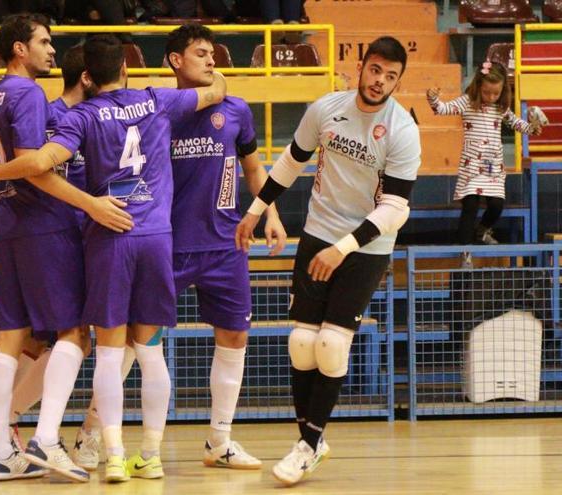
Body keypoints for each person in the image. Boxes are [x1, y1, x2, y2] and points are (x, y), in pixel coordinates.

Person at [0, 34, 227, 482]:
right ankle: (149, 454)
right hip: (154, 235)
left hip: (106, 236)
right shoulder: (157, 100)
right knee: (149, 352)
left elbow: (40, 163)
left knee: (105, 352)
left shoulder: (81, 116)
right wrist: (208, 67)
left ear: (88, 76)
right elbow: (217, 90)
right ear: (127, 69)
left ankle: (109, 453)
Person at [237, 36, 421, 486]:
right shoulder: (326, 109)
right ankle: (311, 443)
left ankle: (307, 444)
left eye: (391, 76)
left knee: (332, 345)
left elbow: (396, 208)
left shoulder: (402, 129)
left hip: (366, 245)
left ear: (398, 80)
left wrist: (344, 248)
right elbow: (290, 162)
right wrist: (255, 211)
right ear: (362, 66)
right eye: (375, 69)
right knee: (301, 343)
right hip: (318, 231)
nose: (380, 81)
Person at [0, 14, 130, 483]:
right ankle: (46, 437)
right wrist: (91, 205)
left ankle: (1, 448)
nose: (50, 50)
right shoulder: (29, 94)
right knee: (75, 331)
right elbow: (35, 167)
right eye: (43, 42)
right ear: (20, 49)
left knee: (12, 335)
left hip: (14, 226)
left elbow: (5, 170)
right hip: (45, 225)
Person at [167, 23, 286, 469]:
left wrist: (270, 213)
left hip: (226, 243)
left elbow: (255, 171)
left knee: (235, 335)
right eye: (200, 53)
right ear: (176, 60)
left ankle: (219, 440)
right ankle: (92, 436)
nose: (212, 60)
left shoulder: (236, 111)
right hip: (169, 243)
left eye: (213, 53)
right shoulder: (161, 109)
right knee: (136, 338)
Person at [427, 60, 543, 265]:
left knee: (497, 204)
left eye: (495, 94)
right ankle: (465, 253)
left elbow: (518, 124)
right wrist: (433, 99)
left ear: (501, 92)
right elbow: (443, 109)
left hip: (494, 167)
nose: (490, 97)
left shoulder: (500, 108)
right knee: (470, 205)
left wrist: (533, 128)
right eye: (487, 92)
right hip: (472, 166)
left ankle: (482, 231)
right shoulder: (467, 102)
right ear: (478, 86)